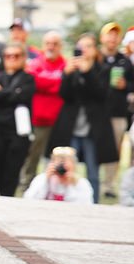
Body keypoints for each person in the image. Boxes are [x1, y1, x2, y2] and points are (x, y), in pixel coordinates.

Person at [46, 33, 116, 203]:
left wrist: (88, 72)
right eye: (80, 46)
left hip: (93, 129)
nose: (83, 50)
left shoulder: (103, 69)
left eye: (88, 46)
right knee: (66, 165)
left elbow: (101, 94)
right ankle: (63, 198)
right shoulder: (72, 68)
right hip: (72, 127)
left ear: (95, 49)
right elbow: (64, 95)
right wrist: (67, 75)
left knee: (93, 170)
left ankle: (93, 202)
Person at [0, 42, 36, 197]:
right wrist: (12, 93)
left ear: (23, 58)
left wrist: (3, 93)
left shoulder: (28, 79)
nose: (12, 59)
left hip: (17, 133)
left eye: (16, 56)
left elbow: (21, 96)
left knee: (11, 172)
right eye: (8, 56)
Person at [99, 22, 134, 199]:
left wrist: (125, 85)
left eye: (116, 35)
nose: (112, 38)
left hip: (118, 113)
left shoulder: (124, 60)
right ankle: (93, 180)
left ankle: (108, 185)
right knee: (95, 149)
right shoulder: (97, 58)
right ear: (103, 38)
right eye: (109, 34)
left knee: (115, 149)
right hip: (98, 112)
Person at [23, 31, 66, 182]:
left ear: (60, 46)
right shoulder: (36, 63)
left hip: (58, 119)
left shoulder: (65, 65)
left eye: (55, 44)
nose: (51, 47)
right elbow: (34, 83)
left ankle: (53, 184)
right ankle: (27, 182)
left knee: (56, 156)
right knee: (33, 153)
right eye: (48, 43)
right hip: (38, 118)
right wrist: (54, 83)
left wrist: (44, 83)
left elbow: (63, 87)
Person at [24, 146, 94, 203]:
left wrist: (70, 185)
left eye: (65, 162)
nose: (62, 166)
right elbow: (29, 200)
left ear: (74, 165)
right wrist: (45, 179)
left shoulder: (81, 183)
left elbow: (86, 205)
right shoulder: (41, 179)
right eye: (59, 161)